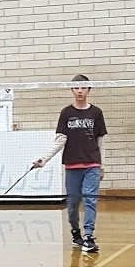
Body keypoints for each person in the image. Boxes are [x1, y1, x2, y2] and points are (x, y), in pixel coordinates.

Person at [33, 74, 107, 253]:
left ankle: (89, 236)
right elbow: (60, 140)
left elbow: (101, 141)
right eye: (76, 88)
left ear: (89, 90)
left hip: (92, 164)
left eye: (83, 88)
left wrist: (102, 165)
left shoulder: (96, 113)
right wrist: (44, 159)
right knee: (73, 204)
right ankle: (76, 233)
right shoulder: (66, 113)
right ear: (72, 90)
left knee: (90, 199)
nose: (79, 91)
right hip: (72, 165)